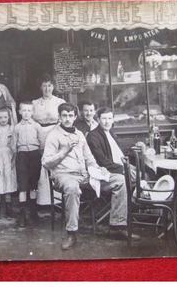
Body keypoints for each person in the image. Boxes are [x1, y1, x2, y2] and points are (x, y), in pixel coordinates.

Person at [42, 103, 136, 250]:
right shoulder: (53, 135)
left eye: (71, 115)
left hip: (85, 176)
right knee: (72, 188)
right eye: (64, 115)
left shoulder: (79, 134)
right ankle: (71, 233)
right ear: (59, 117)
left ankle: (117, 226)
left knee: (119, 180)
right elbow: (46, 163)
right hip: (64, 176)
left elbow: (89, 159)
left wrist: (100, 170)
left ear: (75, 117)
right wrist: (64, 151)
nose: (68, 119)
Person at [32, 75, 65, 205]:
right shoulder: (35, 103)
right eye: (44, 85)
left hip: (55, 133)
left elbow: (62, 120)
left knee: (54, 163)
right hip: (40, 134)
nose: (47, 88)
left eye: (49, 85)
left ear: (53, 87)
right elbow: (32, 120)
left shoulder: (59, 102)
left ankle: (57, 199)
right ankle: (44, 200)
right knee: (42, 165)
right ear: (40, 87)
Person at [13, 101, 45, 227]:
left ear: (32, 112)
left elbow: (42, 142)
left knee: (33, 184)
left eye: (29, 110)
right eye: (24, 110)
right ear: (19, 112)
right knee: (22, 184)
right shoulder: (17, 127)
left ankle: (32, 211)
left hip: (34, 155)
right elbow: (14, 144)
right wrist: (17, 155)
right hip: (22, 156)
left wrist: (40, 155)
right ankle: (22, 213)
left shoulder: (37, 126)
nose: (26, 113)